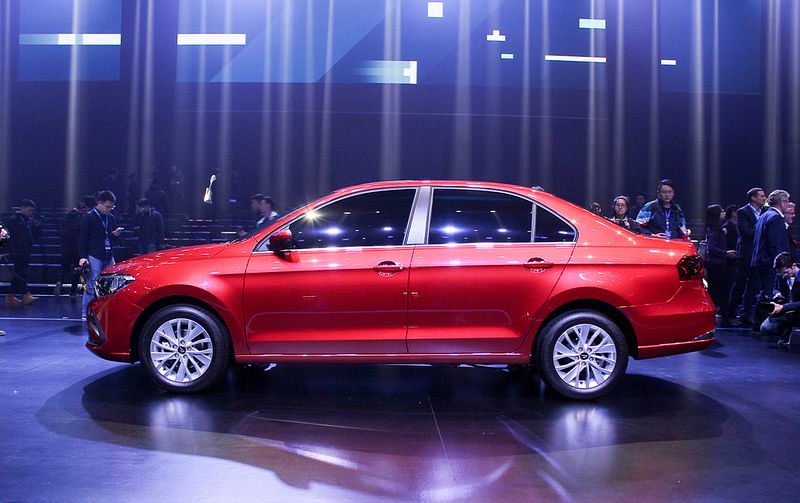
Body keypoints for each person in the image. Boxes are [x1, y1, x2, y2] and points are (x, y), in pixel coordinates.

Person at [79, 191, 123, 319]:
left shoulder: (110, 217)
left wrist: (115, 235)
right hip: (94, 255)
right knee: (92, 284)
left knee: (112, 283)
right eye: (107, 206)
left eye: (111, 207)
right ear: (99, 203)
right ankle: (86, 313)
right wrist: (83, 256)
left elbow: (111, 238)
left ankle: (106, 311)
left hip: (108, 254)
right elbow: (82, 238)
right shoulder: (88, 217)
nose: (109, 209)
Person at [726, 187, 767, 326]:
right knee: (740, 284)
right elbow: (746, 231)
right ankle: (730, 313)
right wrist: (762, 228)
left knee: (754, 285)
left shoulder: (765, 211)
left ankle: (745, 314)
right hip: (746, 253)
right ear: (753, 198)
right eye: (761, 196)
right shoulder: (743, 212)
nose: (764, 198)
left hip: (758, 253)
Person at [751, 189, 792, 319]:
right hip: (769, 262)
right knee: (767, 293)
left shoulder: (764, 215)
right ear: (782, 203)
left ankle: (760, 322)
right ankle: (760, 322)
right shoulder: (775, 218)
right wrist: (782, 263)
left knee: (765, 291)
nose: (788, 204)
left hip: (761, 260)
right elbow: (775, 243)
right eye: (787, 202)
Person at [4, 199, 41, 305]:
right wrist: (3, 251)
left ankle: (11, 296)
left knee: (19, 272)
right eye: (29, 210)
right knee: (21, 272)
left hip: (25, 250)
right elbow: (5, 235)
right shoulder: (14, 220)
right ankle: (26, 294)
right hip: (16, 250)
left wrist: (37, 227)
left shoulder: (29, 220)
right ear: (23, 208)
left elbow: (34, 236)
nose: (31, 213)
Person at [703, 205, 736, 325]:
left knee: (718, 291)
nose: (724, 212)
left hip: (717, 264)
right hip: (716, 265)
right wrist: (726, 254)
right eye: (721, 211)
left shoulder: (717, 229)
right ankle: (718, 317)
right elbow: (711, 248)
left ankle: (718, 316)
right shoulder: (714, 231)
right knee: (718, 292)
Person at [760, 252, 800, 349]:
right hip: (789, 310)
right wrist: (777, 294)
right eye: (780, 273)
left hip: (795, 309)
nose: (783, 276)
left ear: (793, 266)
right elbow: (775, 288)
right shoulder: (782, 275)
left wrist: (783, 307)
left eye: (785, 272)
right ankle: (787, 330)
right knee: (766, 328)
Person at [55, 200, 89, 296]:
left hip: (66, 247)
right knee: (77, 269)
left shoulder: (67, 217)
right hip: (76, 248)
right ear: (82, 209)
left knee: (64, 268)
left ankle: (60, 281)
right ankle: (73, 290)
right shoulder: (81, 218)